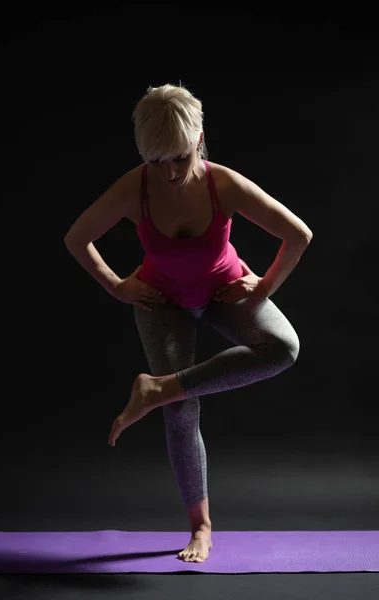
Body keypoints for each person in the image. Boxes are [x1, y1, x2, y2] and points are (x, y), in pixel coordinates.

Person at [64, 83, 313, 563]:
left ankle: (158, 388)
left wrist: (261, 288)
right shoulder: (133, 188)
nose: (172, 172)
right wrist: (118, 285)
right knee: (182, 411)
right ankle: (201, 527)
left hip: (223, 290)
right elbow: (77, 238)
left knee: (283, 348)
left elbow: (298, 234)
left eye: (180, 157)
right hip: (162, 302)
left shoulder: (224, 184)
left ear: (199, 140)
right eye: (159, 162)